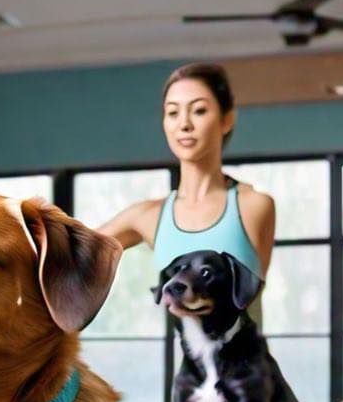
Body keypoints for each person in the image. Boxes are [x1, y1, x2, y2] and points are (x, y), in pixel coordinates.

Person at [100, 63, 275, 288]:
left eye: (199, 110)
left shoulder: (255, 206)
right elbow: (73, 254)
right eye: (173, 112)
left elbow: (250, 296)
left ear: (227, 119)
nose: (184, 124)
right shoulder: (147, 216)